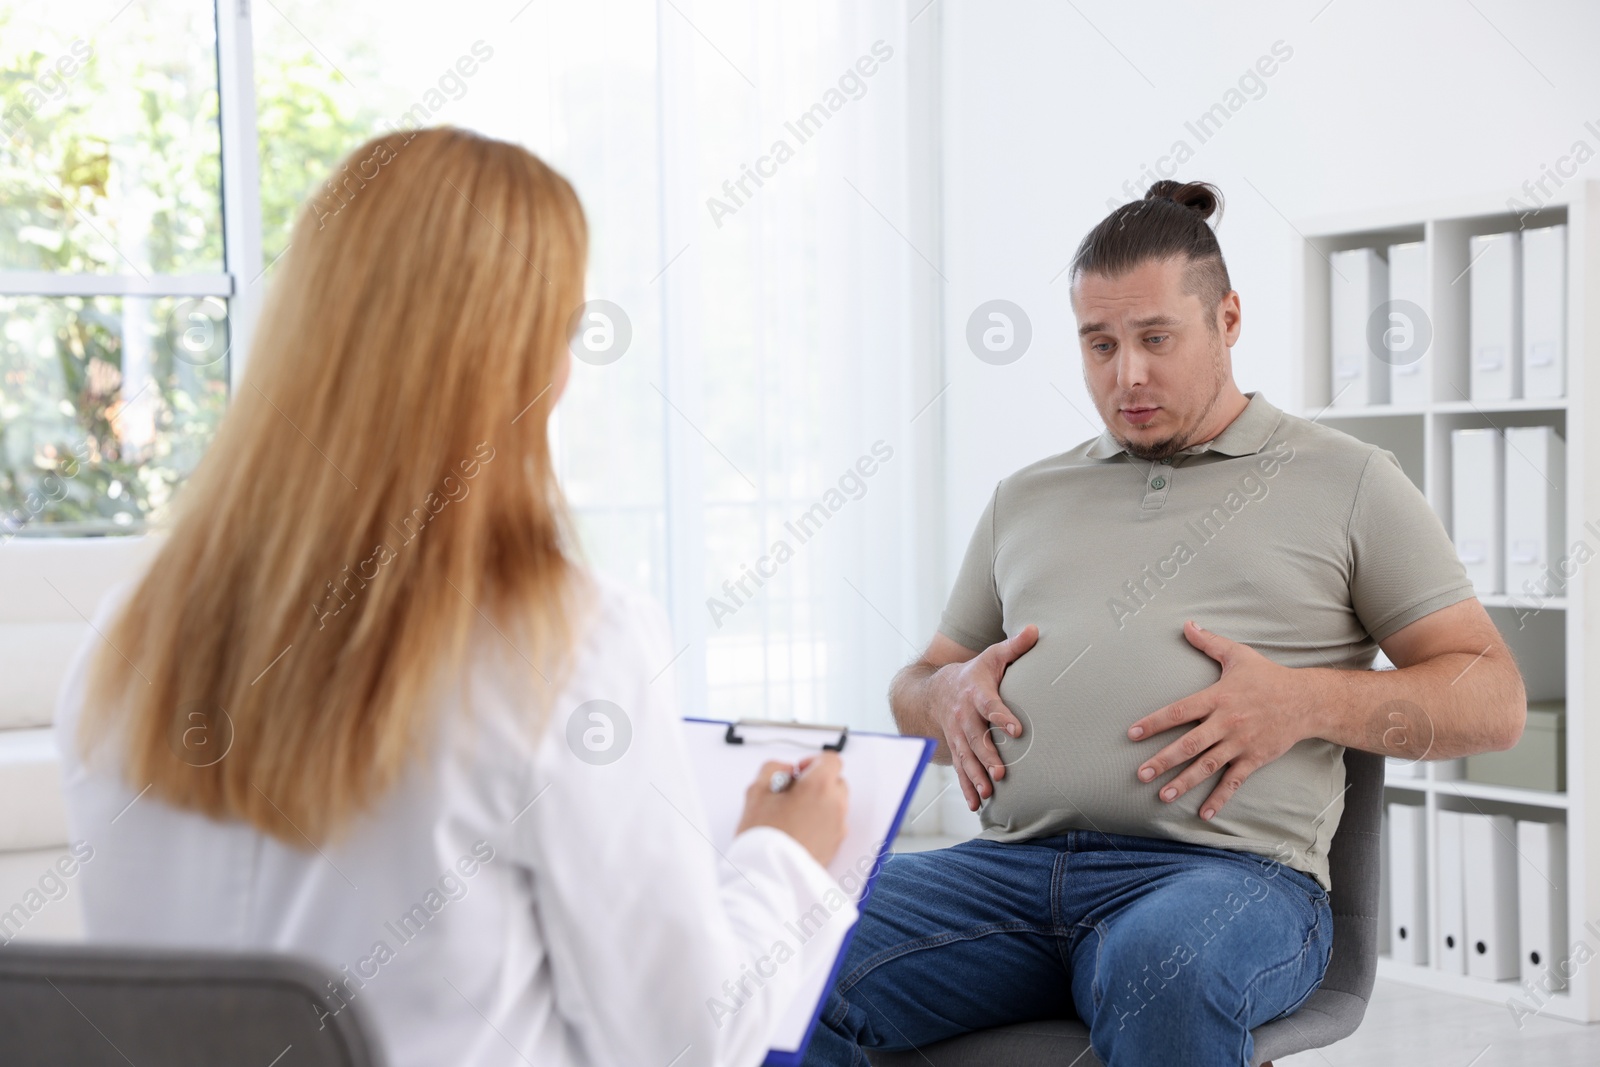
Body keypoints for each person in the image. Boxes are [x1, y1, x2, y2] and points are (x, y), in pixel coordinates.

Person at [55, 127, 853, 1067]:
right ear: (518, 364)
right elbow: (683, 1038)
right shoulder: (565, 644)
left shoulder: (128, 637)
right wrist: (781, 857)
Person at [803, 180, 1528, 1067]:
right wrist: (943, 692)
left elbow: (1492, 699)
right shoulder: (1026, 497)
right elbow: (913, 687)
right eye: (1099, 344)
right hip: (1007, 873)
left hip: (1229, 882)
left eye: (1155, 338)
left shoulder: (1350, 481)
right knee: (796, 933)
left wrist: (1303, 703)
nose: (1127, 375)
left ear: (1227, 319)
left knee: (1161, 962)